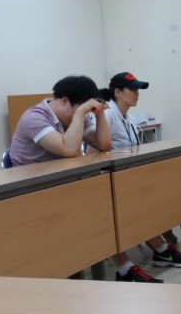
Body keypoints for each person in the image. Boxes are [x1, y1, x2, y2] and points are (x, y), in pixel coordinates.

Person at [10, 75, 155, 284]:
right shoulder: (34, 117)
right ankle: (122, 268)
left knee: (106, 203)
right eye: (81, 110)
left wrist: (100, 114)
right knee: (93, 209)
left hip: (59, 184)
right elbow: (69, 149)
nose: (84, 115)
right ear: (64, 101)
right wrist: (80, 113)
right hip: (29, 191)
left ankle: (124, 268)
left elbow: (104, 145)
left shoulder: (76, 114)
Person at [99, 72, 181, 279]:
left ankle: (162, 249)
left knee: (153, 197)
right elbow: (95, 154)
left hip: (128, 178)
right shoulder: (107, 115)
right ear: (117, 92)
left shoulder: (130, 118)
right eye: (132, 89)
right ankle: (143, 258)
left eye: (138, 89)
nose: (137, 93)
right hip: (110, 183)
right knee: (135, 206)